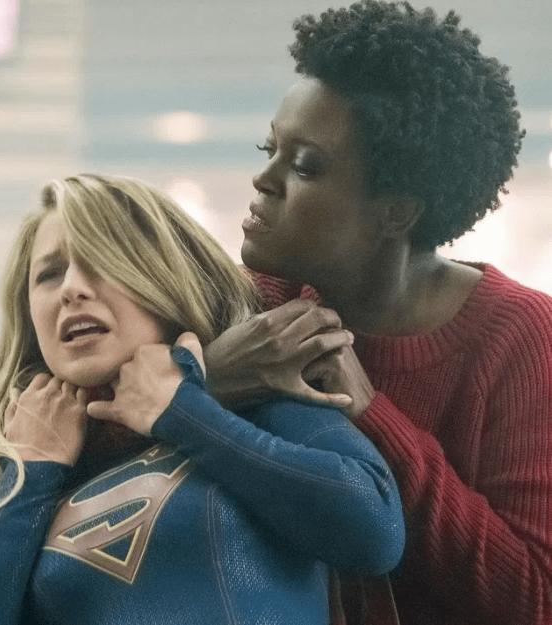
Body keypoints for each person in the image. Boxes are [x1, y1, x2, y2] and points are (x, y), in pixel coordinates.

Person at [0, 173, 404, 624]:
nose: (71, 289)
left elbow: (374, 530)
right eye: (49, 274)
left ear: (163, 277)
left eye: (101, 261)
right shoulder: (22, 463)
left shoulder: (258, 397)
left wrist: (182, 411)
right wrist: (31, 473)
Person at [202, 2, 552, 624]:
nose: (263, 179)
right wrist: (208, 382)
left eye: (304, 165)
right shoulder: (244, 304)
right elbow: (72, 443)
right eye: (269, 147)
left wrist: (369, 414)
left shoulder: (522, 336)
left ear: (397, 212)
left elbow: (534, 597)